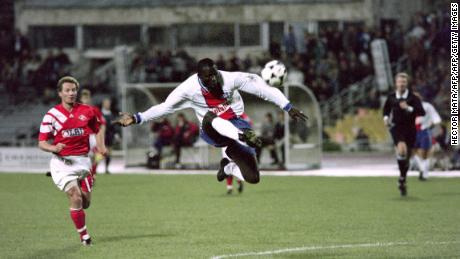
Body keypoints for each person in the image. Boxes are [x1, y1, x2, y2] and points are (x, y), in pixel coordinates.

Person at [113, 58, 307, 184]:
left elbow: (262, 88)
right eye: (208, 77)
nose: (214, 79)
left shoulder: (230, 78)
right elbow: (164, 108)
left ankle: (228, 166)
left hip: (236, 123)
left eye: (215, 74)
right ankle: (241, 136)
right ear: (199, 77)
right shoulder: (187, 89)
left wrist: (287, 106)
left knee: (253, 178)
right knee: (212, 117)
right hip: (210, 128)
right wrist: (138, 117)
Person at [38, 76, 107, 246]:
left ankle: (86, 178)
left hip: (82, 161)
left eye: (73, 90)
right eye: (67, 90)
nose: (71, 93)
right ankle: (84, 236)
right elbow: (42, 142)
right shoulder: (51, 116)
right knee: (74, 196)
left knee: (86, 203)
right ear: (60, 93)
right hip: (62, 162)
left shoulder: (87, 111)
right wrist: (53, 148)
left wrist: (101, 146)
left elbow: (98, 129)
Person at [383, 73, 425, 196]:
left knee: (407, 157)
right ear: (396, 83)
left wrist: (409, 108)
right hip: (397, 128)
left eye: (404, 82)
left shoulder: (413, 98)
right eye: (399, 82)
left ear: (407, 84)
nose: (401, 84)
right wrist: (386, 118)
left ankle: (402, 178)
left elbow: (422, 112)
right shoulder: (391, 97)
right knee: (401, 150)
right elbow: (386, 109)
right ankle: (402, 177)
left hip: (410, 129)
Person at [412, 93, 442, 180]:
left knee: (424, 152)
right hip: (412, 131)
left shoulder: (427, 106)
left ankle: (424, 172)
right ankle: (422, 169)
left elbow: (436, 118)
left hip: (424, 130)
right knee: (412, 151)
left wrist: (434, 126)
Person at [79, 89, 107, 176]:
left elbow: (102, 123)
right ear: (81, 99)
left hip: (92, 136)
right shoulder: (76, 110)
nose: (86, 100)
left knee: (100, 154)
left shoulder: (95, 110)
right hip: (81, 136)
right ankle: (88, 173)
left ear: (90, 99)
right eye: (84, 98)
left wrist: (102, 135)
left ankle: (93, 170)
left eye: (87, 98)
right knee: (83, 157)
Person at [101, 98, 119, 174]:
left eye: (109, 103)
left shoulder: (111, 114)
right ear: (103, 104)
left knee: (109, 153)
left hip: (110, 136)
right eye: (106, 103)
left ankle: (106, 168)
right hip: (102, 136)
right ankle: (94, 168)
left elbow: (114, 126)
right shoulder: (100, 113)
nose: (108, 105)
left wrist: (116, 135)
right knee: (100, 153)